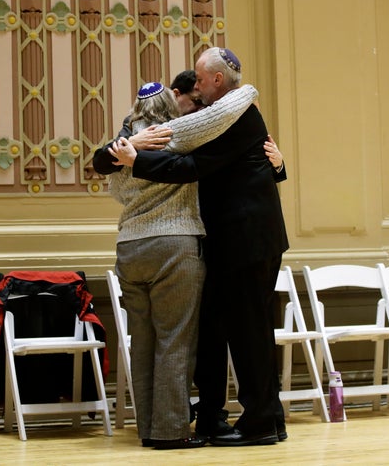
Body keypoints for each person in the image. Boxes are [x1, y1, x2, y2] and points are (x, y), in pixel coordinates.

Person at [108, 47, 289, 447]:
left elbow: (193, 168)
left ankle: (258, 423)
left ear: (217, 81)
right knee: (238, 332)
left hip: (244, 240)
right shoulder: (215, 118)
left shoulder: (233, 114)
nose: (196, 87)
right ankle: (253, 418)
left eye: (201, 81)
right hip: (229, 241)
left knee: (247, 333)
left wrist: (133, 159)